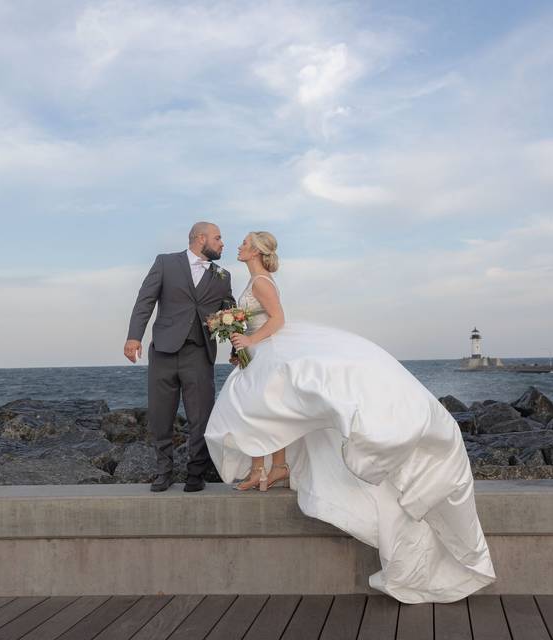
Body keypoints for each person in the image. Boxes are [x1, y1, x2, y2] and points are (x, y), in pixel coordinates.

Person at [204, 231, 497, 603]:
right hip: (263, 352)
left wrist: (249, 340)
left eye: (245, 242)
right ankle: (271, 467)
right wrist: (241, 341)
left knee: (263, 409)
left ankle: (270, 468)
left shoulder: (260, 281)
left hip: (271, 348)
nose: (239, 245)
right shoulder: (253, 279)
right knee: (267, 410)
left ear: (258, 251)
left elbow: (277, 319)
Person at [125, 222, 235, 492]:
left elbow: (229, 310)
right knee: (160, 415)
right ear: (200, 238)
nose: (222, 243)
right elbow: (145, 301)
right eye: (218, 238)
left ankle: (195, 473)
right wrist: (133, 336)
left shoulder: (223, 275)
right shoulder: (165, 262)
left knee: (201, 417)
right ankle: (163, 471)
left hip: (199, 353)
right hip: (163, 351)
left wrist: (237, 345)